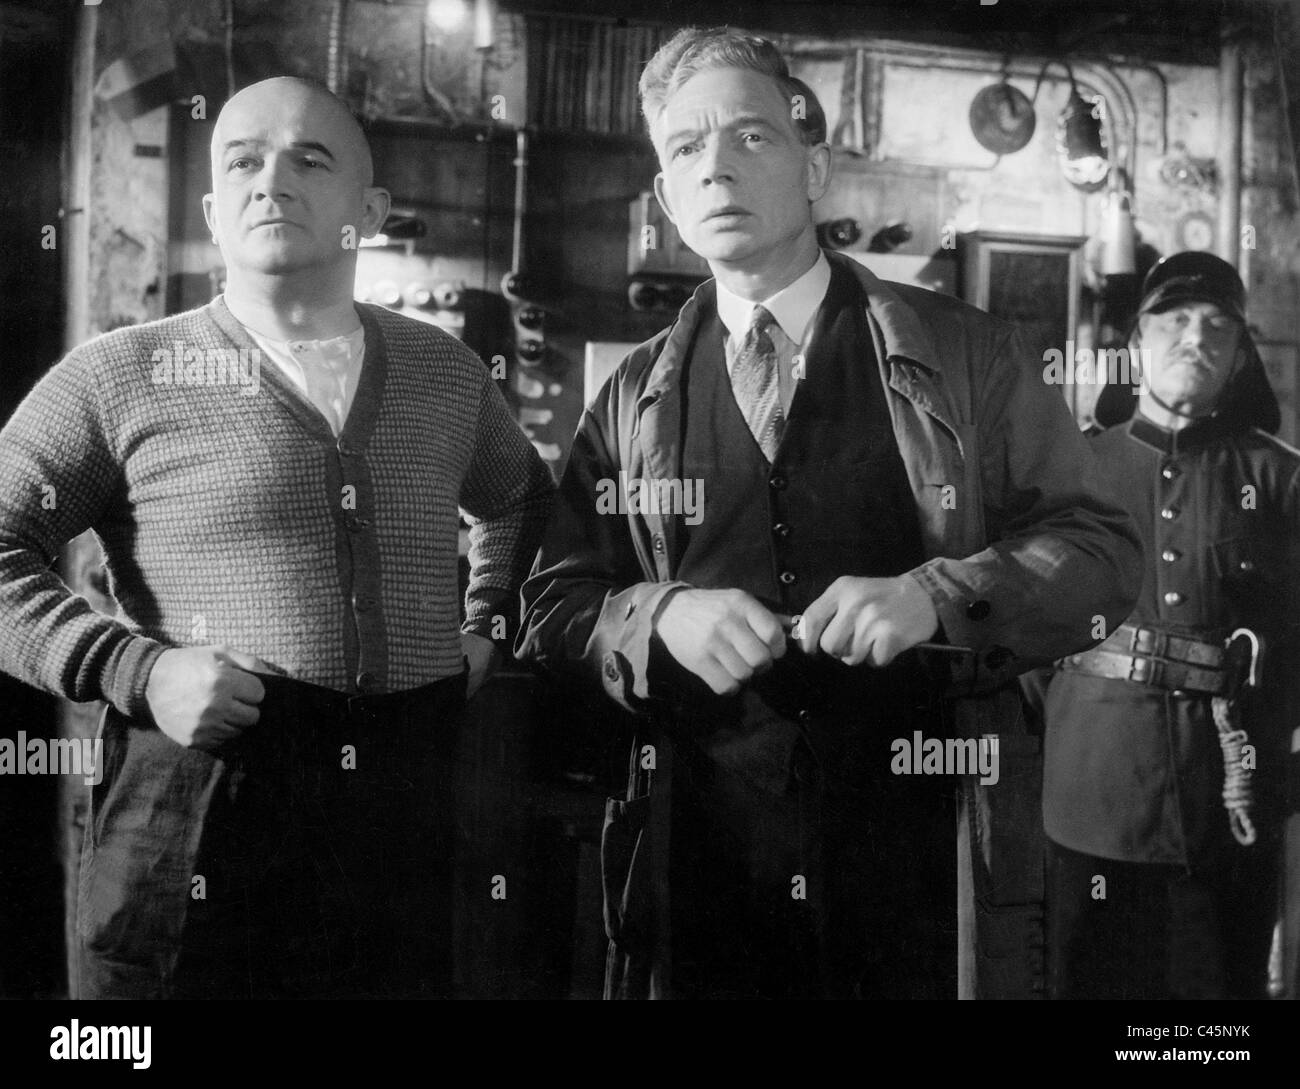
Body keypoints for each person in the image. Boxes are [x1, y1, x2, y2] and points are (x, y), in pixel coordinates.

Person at [516, 26, 1142, 999]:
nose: (716, 165)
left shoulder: (969, 354)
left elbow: (1101, 555)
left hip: (922, 857)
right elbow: (553, 610)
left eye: (752, 137)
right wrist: (655, 616)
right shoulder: (628, 399)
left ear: (815, 171)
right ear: (667, 202)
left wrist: (942, 596)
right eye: (686, 148)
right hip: (702, 867)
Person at [0, 76, 554, 999]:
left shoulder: (447, 374)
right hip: (201, 798)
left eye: (311, 157)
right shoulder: (118, 375)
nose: (272, 181)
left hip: (399, 801)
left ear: (369, 210)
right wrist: (134, 669)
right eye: (244, 161)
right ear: (216, 212)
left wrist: (488, 617)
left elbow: (523, 501)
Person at [1028, 252, 1300, 1000]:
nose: (1195, 338)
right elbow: (1021, 637)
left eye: (1217, 325)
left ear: (1241, 353)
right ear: (1137, 341)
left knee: (1215, 1026)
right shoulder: (1069, 471)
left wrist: (1272, 766)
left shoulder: (1282, 479)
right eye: (1174, 320)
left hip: (1229, 806)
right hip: (1093, 799)